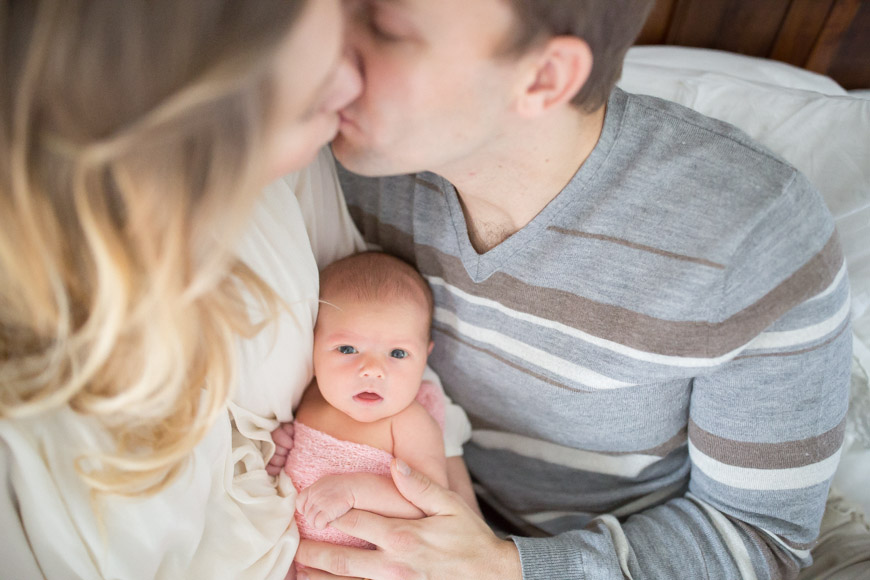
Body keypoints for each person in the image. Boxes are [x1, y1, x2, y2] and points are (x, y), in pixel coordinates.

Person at [289, 0, 858, 579]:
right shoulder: (335, 161)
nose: (326, 58)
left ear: (544, 77)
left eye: (383, 30)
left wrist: (505, 567)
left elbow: (758, 538)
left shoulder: (755, 236)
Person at [0, 1, 478, 578]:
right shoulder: (53, 429)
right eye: (317, 63)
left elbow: (388, 327)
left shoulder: (294, 175)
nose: (354, 81)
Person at [286, 251, 458, 552]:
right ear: (312, 344)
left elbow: (428, 502)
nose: (372, 370)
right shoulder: (310, 395)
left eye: (398, 354)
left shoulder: (409, 423)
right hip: (293, 554)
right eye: (348, 348)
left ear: (425, 357)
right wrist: (278, 448)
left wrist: (353, 492)